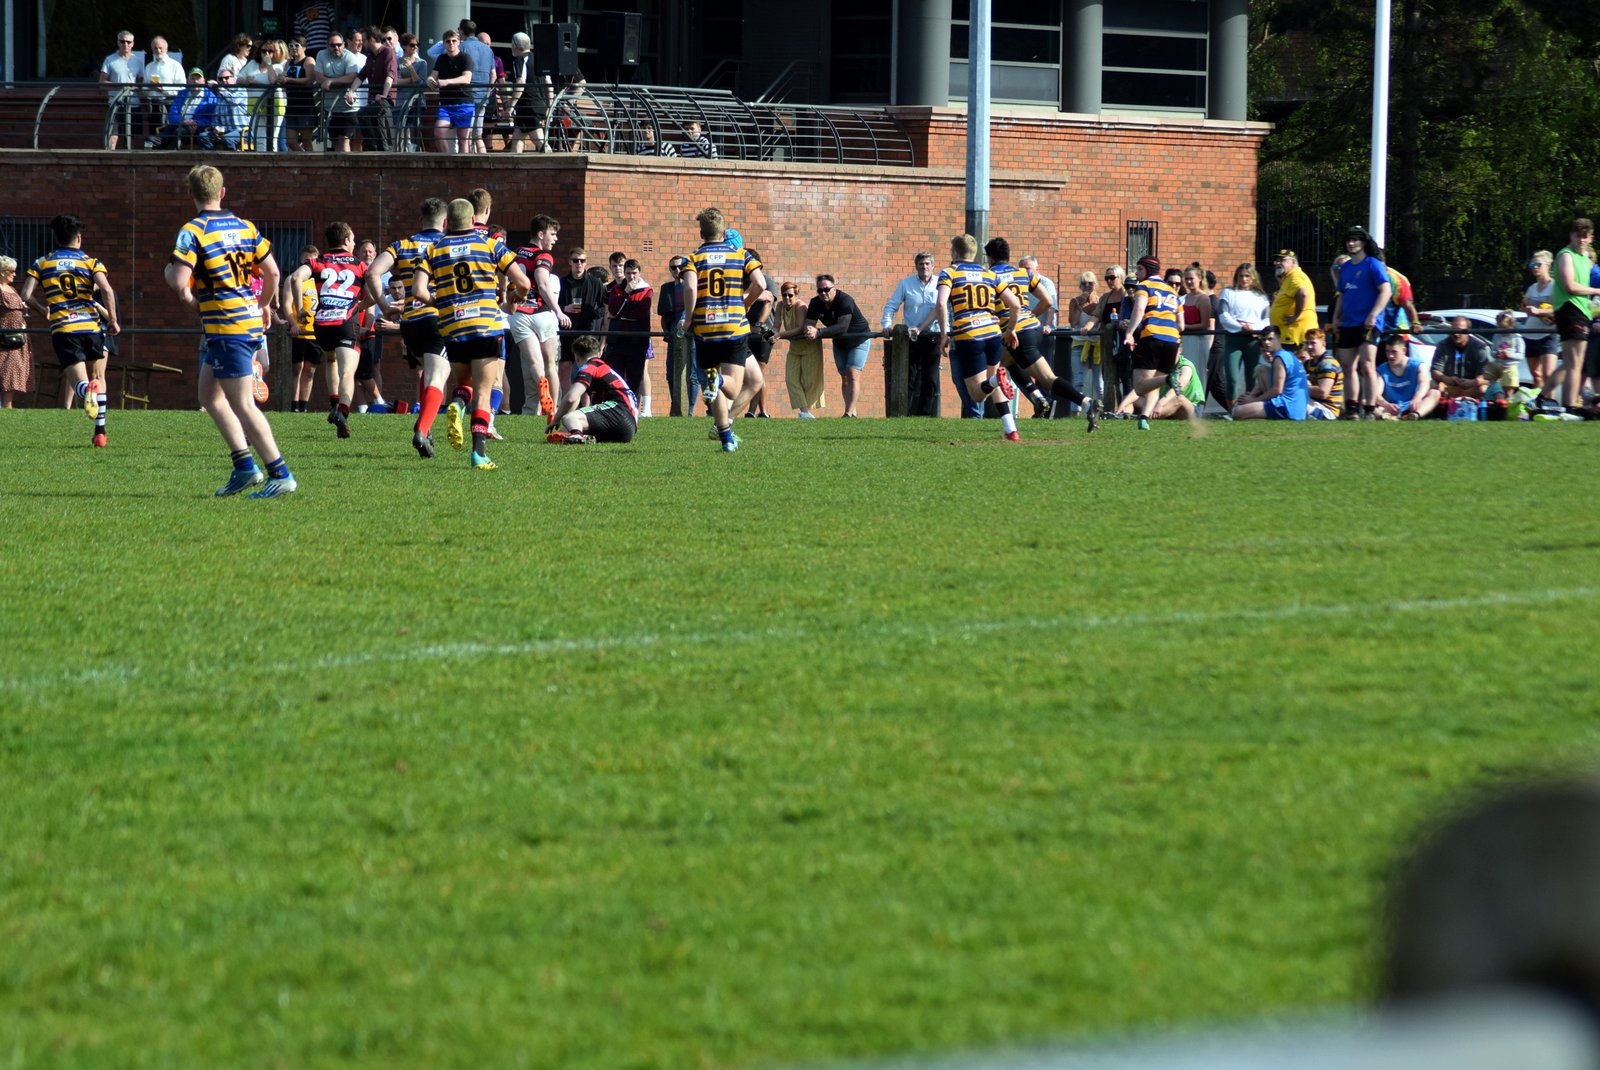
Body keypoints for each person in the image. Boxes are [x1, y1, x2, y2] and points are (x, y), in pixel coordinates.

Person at [164, 164, 296, 497]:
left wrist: (183, 290)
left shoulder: (193, 230)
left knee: (243, 404)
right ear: (222, 192)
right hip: (245, 320)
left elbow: (179, 283)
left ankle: (280, 474)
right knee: (209, 396)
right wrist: (263, 305)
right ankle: (244, 468)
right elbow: (273, 273)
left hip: (226, 326)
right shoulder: (246, 227)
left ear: (191, 194)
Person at [413, 197, 529, 470]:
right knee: (483, 392)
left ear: (446, 222)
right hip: (485, 326)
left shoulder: (434, 249)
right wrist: (515, 296)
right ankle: (478, 454)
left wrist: (439, 303)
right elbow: (523, 282)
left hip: (454, 327)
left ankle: (456, 403)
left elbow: (418, 291)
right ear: (474, 220)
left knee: (464, 383)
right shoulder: (489, 244)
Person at [20, 214, 118, 446]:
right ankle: (100, 432)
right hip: (91, 327)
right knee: (98, 378)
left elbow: (25, 295)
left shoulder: (42, 263)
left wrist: (42, 310)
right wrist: (113, 320)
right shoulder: (91, 262)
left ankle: (86, 391)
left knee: (80, 385)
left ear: (57, 238)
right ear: (79, 238)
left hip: (64, 329)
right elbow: (107, 290)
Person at [987, 236, 1100, 427]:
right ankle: (1038, 397)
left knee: (1047, 379)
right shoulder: (1023, 273)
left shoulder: (989, 275)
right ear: (1008, 256)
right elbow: (1047, 301)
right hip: (1033, 328)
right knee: (1006, 361)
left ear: (989, 258)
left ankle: (1086, 403)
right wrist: (1029, 315)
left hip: (1016, 332)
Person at [680, 206, 767, 452]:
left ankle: (726, 438)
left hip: (705, 329)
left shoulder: (693, 258)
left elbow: (690, 288)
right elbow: (760, 284)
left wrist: (688, 318)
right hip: (733, 327)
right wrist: (744, 303)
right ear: (724, 232)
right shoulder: (741, 255)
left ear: (701, 234)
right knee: (731, 386)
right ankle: (716, 381)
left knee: (718, 381)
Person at [365, 197, 447, 457]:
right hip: (437, 317)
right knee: (438, 378)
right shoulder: (447, 243)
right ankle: (422, 430)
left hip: (410, 323)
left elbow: (372, 273)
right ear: (445, 222)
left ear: (420, 220)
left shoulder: (402, 245)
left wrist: (385, 306)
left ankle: (426, 427)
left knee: (427, 373)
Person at [935, 233, 1026, 441]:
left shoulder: (950, 272)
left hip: (969, 334)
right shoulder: (989, 274)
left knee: (977, 394)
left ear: (955, 253)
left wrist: (944, 334)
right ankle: (1011, 430)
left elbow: (940, 303)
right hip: (993, 333)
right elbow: (1015, 305)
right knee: (993, 384)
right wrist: (1011, 329)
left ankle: (996, 380)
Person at [282, 221, 367, 437]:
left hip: (321, 324)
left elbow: (296, 277)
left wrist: (300, 308)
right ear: (346, 241)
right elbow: (374, 288)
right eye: (353, 239)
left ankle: (334, 403)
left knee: (331, 360)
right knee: (347, 372)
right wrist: (363, 305)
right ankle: (342, 411)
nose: (354, 242)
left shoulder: (318, 261)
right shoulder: (359, 264)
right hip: (345, 323)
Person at [505, 214, 568, 419]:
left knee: (534, 363)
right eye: (553, 234)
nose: (555, 239)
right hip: (541, 314)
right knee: (551, 364)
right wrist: (558, 311)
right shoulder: (543, 256)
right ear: (541, 234)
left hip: (518, 314)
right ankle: (553, 410)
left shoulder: (515, 252)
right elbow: (542, 283)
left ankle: (540, 385)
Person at [1332, 225, 1393, 418]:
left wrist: (1373, 315)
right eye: (1349, 240)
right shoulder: (1345, 268)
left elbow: (1386, 291)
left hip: (1368, 324)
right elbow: (1342, 294)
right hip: (1348, 323)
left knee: (1367, 365)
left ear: (1364, 242)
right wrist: (1336, 317)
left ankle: (1370, 409)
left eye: (1355, 240)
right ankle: (1351, 409)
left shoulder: (1373, 264)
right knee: (1347, 366)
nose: (1351, 243)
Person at [1118, 254, 1183, 428]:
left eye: (1139, 269)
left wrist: (1129, 333)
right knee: (1154, 384)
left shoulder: (1145, 285)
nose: (1136, 273)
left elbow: (1139, 309)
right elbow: (1181, 324)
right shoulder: (1172, 291)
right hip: (1172, 340)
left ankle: (1169, 379)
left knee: (1140, 385)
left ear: (1147, 270)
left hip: (1152, 336)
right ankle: (1144, 419)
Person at [1545, 218, 1600, 414]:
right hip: (1570, 309)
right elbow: (1570, 286)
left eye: (1585, 237)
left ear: (1591, 238)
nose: (1581, 240)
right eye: (1578, 236)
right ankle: (1570, 406)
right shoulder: (1566, 255)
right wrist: (1596, 291)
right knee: (1575, 364)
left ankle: (1546, 398)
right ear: (1571, 236)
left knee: (1572, 364)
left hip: (1582, 311)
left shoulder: (1585, 259)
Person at [546, 336, 639, 444]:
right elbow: (577, 399)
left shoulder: (589, 367)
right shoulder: (604, 368)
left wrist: (556, 419)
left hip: (618, 412)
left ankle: (577, 436)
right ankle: (579, 435)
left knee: (569, 418)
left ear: (576, 357)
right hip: (628, 426)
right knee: (566, 430)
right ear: (599, 353)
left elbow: (571, 398)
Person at [881, 252, 942, 417]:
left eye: (927, 264)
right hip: (911, 336)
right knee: (909, 377)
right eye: (921, 264)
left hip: (933, 336)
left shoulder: (940, 283)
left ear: (933, 266)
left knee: (930, 378)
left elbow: (945, 310)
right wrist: (886, 325)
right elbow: (891, 305)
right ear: (916, 266)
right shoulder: (906, 283)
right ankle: (903, 413)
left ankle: (925, 414)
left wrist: (946, 333)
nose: (924, 267)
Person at [804, 274, 872, 418]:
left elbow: (842, 327)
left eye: (827, 289)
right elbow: (808, 323)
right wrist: (809, 330)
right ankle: (852, 412)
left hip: (859, 339)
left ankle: (848, 413)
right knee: (844, 376)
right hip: (840, 342)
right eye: (820, 290)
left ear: (834, 288)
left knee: (852, 374)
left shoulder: (845, 300)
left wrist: (818, 332)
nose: (823, 293)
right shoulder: (815, 303)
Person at [1214, 261, 1271, 408]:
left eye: (1247, 276)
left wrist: (1253, 328)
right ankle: (1232, 411)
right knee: (1232, 379)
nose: (1244, 279)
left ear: (1253, 277)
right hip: (1234, 339)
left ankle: (1248, 409)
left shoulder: (1261, 297)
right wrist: (1241, 327)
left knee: (1252, 379)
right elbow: (1223, 316)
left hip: (1253, 341)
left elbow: (1266, 320)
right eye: (1241, 276)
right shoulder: (1228, 292)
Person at [601, 257, 654, 406]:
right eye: (628, 273)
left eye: (634, 273)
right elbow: (613, 309)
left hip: (636, 341)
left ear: (639, 273)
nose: (631, 277)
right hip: (617, 341)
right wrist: (626, 292)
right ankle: (616, 407)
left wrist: (619, 315)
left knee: (634, 378)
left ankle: (633, 408)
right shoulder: (617, 289)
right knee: (615, 377)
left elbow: (641, 313)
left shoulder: (646, 290)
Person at [1231, 325, 1307, 421]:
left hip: (1287, 407)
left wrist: (1253, 400)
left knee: (1238, 412)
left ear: (1279, 338)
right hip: (1297, 408)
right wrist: (1251, 396)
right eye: (1264, 340)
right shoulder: (1288, 354)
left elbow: (1277, 390)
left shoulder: (1280, 358)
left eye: (1270, 339)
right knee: (1261, 369)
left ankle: (1268, 417)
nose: (1266, 343)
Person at [558, 246, 606, 395]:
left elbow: (604, 306)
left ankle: (586, 401)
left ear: (586, 262)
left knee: (586, 367)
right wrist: (565, 308)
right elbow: (553, 305)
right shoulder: (562, 282)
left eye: (582, 261)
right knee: (565, 365)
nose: (579, 264)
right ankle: (566, 398)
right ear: (570, 262)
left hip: (586, 329)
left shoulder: (595, 283)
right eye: (575, 260)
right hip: (567, 329)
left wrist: (593, 313)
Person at [776, 280, 824, 417]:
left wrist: (779, 335)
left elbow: (799, 329)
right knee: (791, 379)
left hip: (810, 347)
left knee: (810, 381)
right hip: (795, 348)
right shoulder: (780, 305)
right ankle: (805, 412)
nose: (787, 298)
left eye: (790, 295)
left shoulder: (800, 306)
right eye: (784, 295)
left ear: (796, 295)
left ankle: (806, 413)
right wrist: (772, 334)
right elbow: (776, 325)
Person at [1019, 255, 1060, 412]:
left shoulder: (1045, 282)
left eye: (1027, 268)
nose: (1025, 271)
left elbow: (1051, 306)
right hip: (1026, 332)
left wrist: (1048, 325)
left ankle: (1045, 405)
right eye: (1022, 268)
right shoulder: (1020, 283)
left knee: (1043, 373)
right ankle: (1040, 402)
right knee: (1020, 371)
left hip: (1043, 333)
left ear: (1037, 268)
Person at [426, 29, 475, 154]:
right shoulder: (441, 58)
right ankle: (447, 160)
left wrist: (447, 81)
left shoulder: (465, 57)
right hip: (445, 104)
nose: (451, 43)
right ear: (444, 44)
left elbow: (467, 78)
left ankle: (463, 164)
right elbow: (433, 75)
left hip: (464, 102)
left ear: (459, 42)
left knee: (463, 140)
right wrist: (430, 80)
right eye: (448, 41)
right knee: (439, 133)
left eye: (454, 41)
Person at [314, 32, 363, 153]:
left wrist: (330, 81)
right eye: (332, 45)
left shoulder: (350, 56)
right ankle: (338, 164)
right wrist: (336, 81)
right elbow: (318, 77)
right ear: (327, 45)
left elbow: (351, 77)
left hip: (348, 107)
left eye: (339, 45)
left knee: (344, 140)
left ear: (344, 44)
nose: (336, 47)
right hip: (330, 106)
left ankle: (345, 164)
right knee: (335, 140)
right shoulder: (321, 54)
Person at [285, 244, 320, 411]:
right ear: (301, 260)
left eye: (312, 260)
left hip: (315, 331)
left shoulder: (319, 281)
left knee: (310, 370)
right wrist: (293, 324)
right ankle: (294, 406)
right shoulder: (293, 279)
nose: (309, 263)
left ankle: (304, 405)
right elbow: (286, 304)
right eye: (306, 260)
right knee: (297, 369)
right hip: (299, 330)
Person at [1375, 331, 1440, 419]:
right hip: (1390, 407)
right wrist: (1386, 405)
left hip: (1413, 405)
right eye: (1387, 352)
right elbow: (1376, 394)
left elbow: (1424, 383)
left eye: (1394, 352)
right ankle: (1386, 417)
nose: (1390, 356)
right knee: (1367, 401)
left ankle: (1415, 415)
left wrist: (1417, 398)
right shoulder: (1381, 370)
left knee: (1435, 393)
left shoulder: (1417, 365)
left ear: (1404, 351)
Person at [504, 32, 549, 154]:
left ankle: (553, 163)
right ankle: (514, 164)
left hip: (528, 107)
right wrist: (549, 106)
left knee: (540, 142)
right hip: (538, 105)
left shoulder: (519, 59)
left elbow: (521, 82)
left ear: (515, 45)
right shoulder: (540, 60)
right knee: (517, 138)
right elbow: (548, 84)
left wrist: (511, 106)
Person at [1521, 250, 1558, 390]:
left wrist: (1540, 311)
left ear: (1547, 265)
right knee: (1536, 375)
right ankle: (1539, 400)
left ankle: (1551, 402)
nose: (1534, 267)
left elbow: (1560, 308)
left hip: (1547, 334)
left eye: (1538, 264)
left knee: (1548, 374)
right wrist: (1525, 307)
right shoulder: (1532, 288)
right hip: (1530, 335)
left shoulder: (1555, 286)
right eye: (1532, 265)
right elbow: (1523, 306)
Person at [0, 257, 35, 408]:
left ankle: (8, 405)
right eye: (12, 271)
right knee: (4, 368)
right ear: (2, 272)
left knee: (13, 369)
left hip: (17, 335)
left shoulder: (12, 289)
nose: (15, 274)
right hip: (4, 335)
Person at [1431, 316, 1491, 403]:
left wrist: (1471, 382)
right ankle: (1439, 409)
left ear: (1468, 331)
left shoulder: (1479, 347)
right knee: (1433, 384)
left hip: (1471, 387)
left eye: (1460, 331)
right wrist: (1446, 379)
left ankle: (1482, 409)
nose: (1456, 334)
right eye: (1453, 330)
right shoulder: (1442, 345)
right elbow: (1435, 371)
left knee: (1484, 387)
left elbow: (1485, 375)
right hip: (1449, 386)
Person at [1066, 270, 1102, 413]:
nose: (1087, 286)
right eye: (1084, 283)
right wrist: (1079, 305)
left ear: (1095, 285)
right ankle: (1075, 412)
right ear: (1080, 286)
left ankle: (1102, 412)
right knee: (1078, 381)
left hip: (1097, 345)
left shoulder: (1100, 301)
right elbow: (1073, 323)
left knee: (1099, 383)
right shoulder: (1074, 301)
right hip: (1079, 344)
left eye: (1090, 283)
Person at [156, 68, 219, 149]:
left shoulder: (210, 97)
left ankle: (171, 154)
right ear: (188, 80)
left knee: (178, 133)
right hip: (179, 124)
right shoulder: (181, 94)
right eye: (192, 78)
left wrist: (196, 123)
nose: (195, 81)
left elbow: (212, 119)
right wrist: (183, 122)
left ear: (203, 81)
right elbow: (172, 114)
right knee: (154, 139)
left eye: (198, 79)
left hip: (197, 129)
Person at [141, 36, 187, 145]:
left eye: (160, 48)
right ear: (152, 49)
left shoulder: (175, 65)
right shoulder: (149, 67)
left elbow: (182, 88)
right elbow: (143, 89)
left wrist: (162, 89)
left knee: (168, 133)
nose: (158, 51)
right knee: (154, 135)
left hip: (170, 104)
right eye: (155, 48)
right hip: (153, 104)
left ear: (166, 49)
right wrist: (149, 87)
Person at [358, 25, 397, 152]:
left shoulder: (387, 52)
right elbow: (362, 75)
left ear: (371, 39)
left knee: (367, 114)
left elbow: (390, 75)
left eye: (364, 40)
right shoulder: (370, 56)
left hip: (384, 99)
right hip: (373, 98)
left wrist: (384, 95)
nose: (362, 43)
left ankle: (376, 147)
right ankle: (375, 147)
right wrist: (351, 91)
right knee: (373, 120)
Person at [1269, 249, 1318, 347]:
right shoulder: (1289, 278)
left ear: (1294, 262)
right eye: (1277, 261)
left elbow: (1302, 294)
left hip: (1295, 335)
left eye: (1282, 260)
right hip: (1290, 334)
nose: (1278, 263)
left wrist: (1296, 316)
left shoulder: (1295, 276)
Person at [100, 30, 140, 150]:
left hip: (133, 103)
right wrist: (120, 86)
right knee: (113, 135)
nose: (125, 44)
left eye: (128, 42)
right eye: (122, 41)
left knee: (131, 136)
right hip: (115, 103)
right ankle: (110, 157)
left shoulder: (137, 60)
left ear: (133, 44)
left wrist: (135, 87)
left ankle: (131, 159)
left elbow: (141, 81)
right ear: (118, 42)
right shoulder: (110, 59)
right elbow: (102, 82)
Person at [280, 37, 319, 152]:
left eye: (297, 45)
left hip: (305, 105)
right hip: (291, 105)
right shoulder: (288, 62)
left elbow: (309, 80)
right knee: (290, 141)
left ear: (304, 47)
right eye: (291, 46)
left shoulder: (308, 60)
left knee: (306, 141)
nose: (293, 48)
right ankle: (304, 158)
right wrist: (281, 79)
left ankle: (311, 161)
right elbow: (284, 78)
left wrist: (289, 80)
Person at [394, 33, 428, 150]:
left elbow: (420, 84)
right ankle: (400, 154)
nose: (415, 47)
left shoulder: (422, 63)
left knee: (415, 131)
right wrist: (411, 79)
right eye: (412, 45)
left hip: (417, 102)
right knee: (400, 130)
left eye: (417, 45)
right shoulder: (396, 62)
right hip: (400, 102)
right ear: (404, 46)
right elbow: (396, 82)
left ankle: (413, 154)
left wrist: (411, 68)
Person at [1300, 328, 1343, 420]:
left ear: (1323, 344)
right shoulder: (1308, 363)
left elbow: (1323, 392)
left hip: (1327, 410)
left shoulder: (1327, 363)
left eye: (1313, 343)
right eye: (1307, 343)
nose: (1309, 347)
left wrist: (1298, 387)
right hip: (1313, 403)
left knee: (1292, 403)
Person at [208, 66, 248, 151]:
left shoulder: (240, 89)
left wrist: (218, 88)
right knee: (203, 137)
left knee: (227, 138)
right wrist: (216, 127)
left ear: (234, 79)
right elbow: (215, 117)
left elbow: (234, 100)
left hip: (242, 131)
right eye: (221, 79)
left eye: (226, 78)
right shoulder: (220, 95)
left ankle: (232, 159)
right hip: (225, 132)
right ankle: (210, 158)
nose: (223, 80)